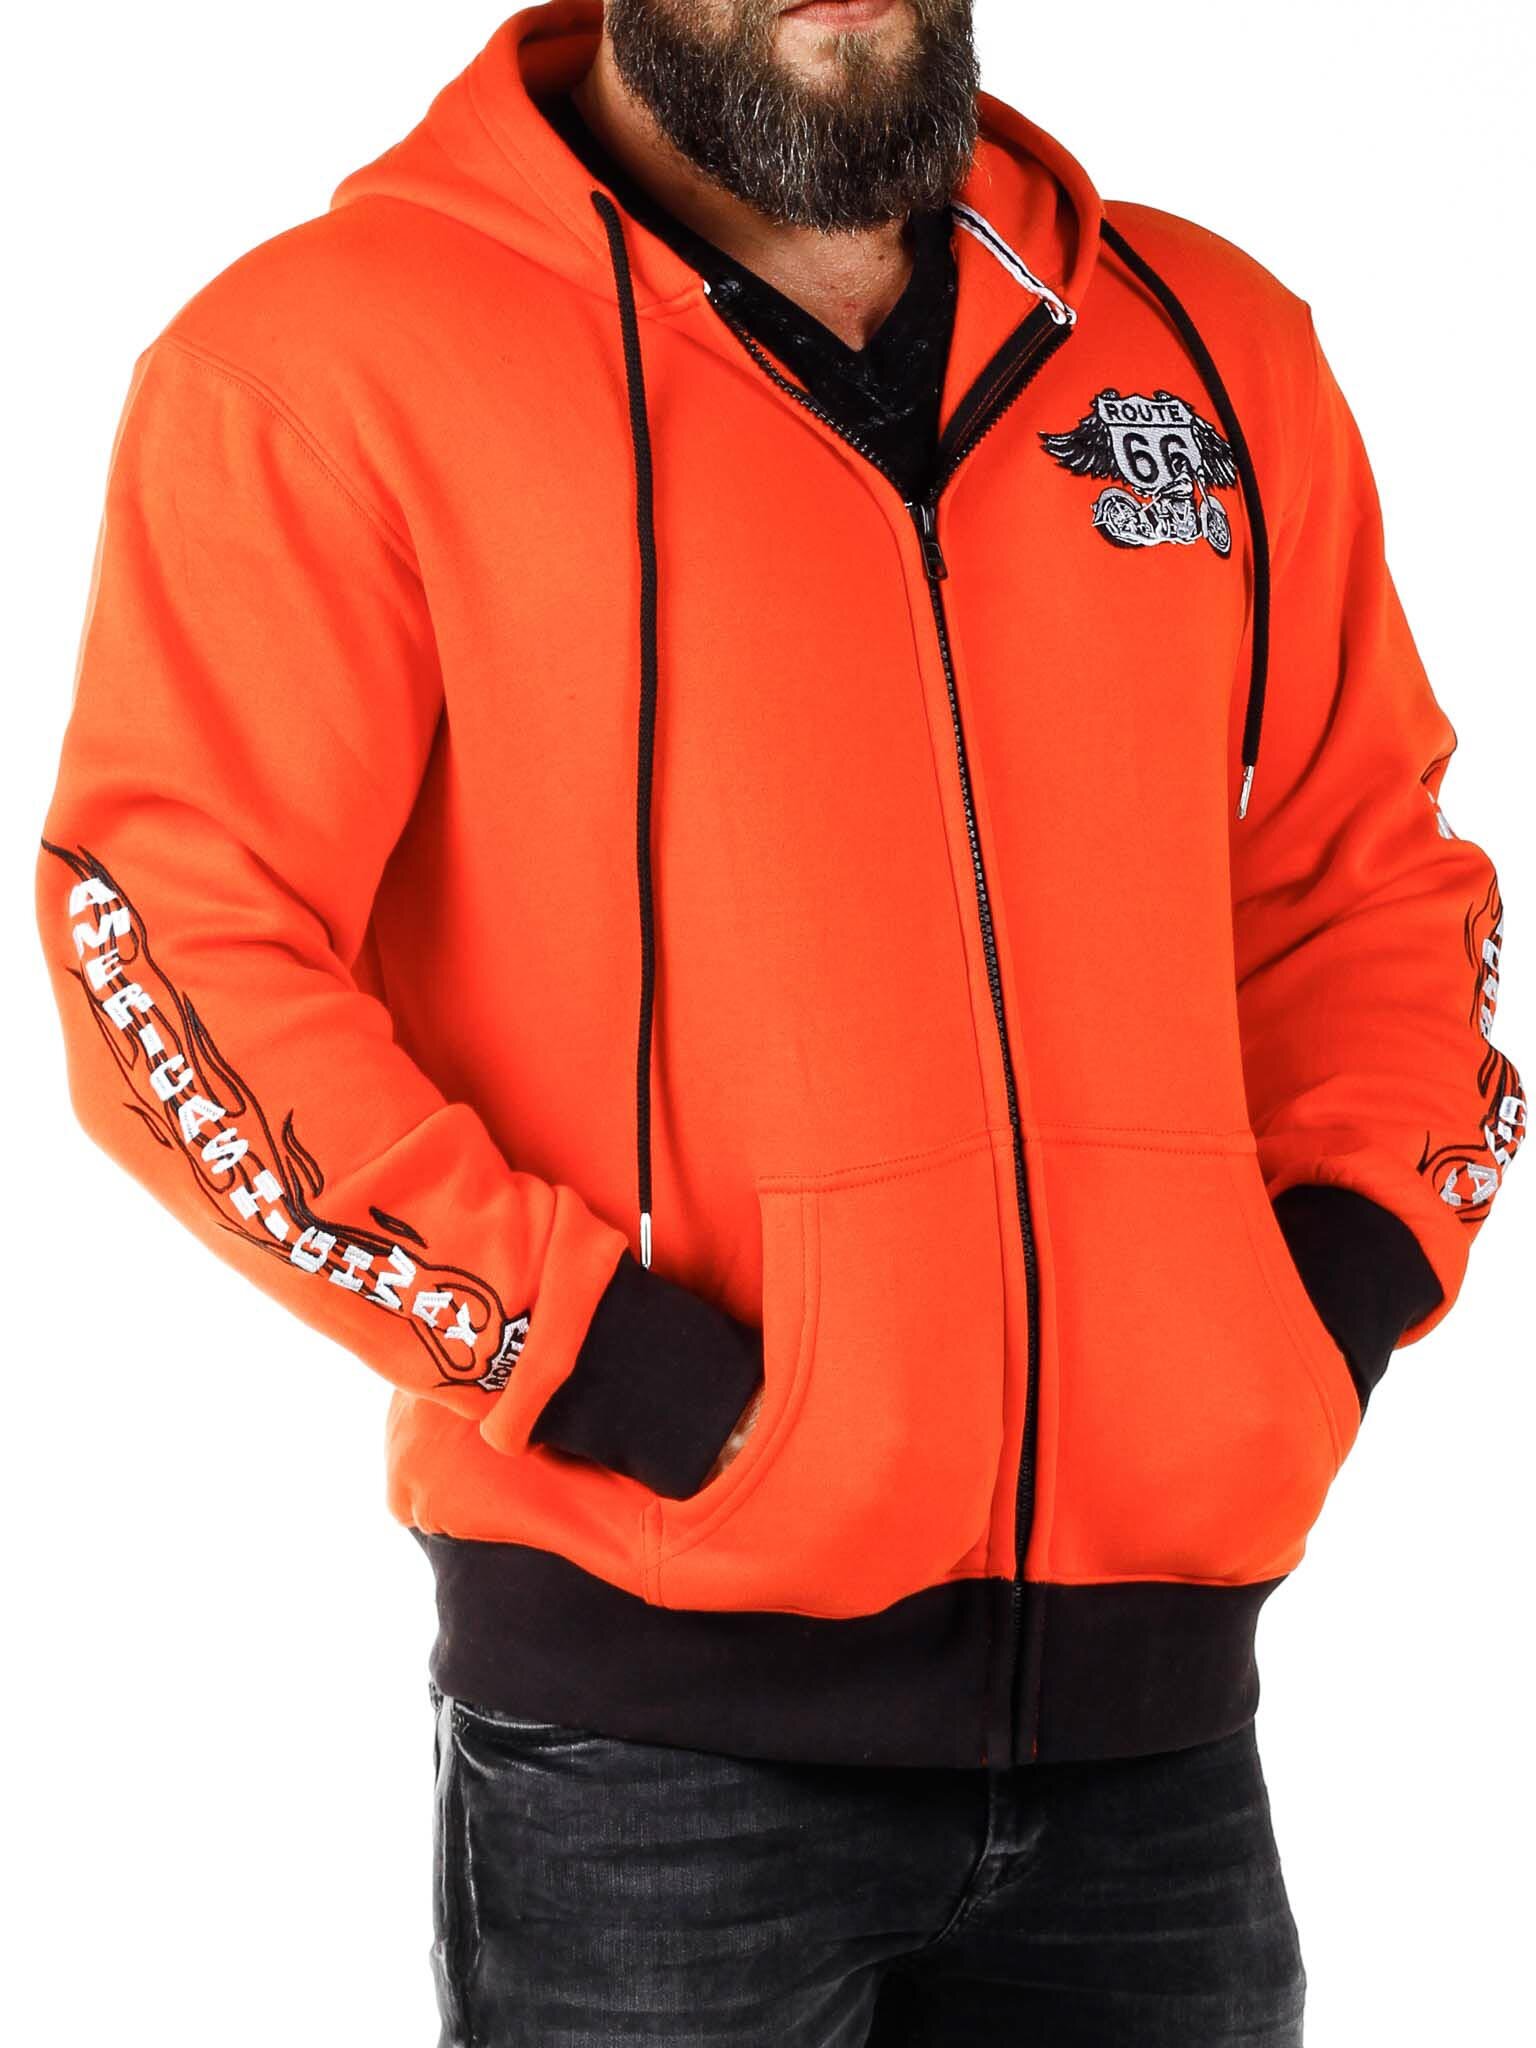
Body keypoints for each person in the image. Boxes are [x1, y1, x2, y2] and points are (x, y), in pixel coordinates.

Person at [36, 3, 1524, 2042]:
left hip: (1163, 1745)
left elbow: (1372, 873)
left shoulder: (1210, 349)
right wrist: (600, 1363)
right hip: (652, 1749)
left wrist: (1323, 1295)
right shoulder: (327, 361)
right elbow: (169, 945)